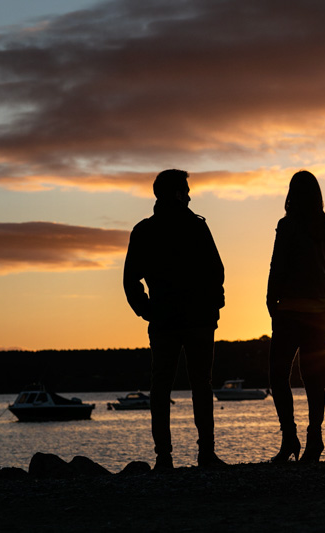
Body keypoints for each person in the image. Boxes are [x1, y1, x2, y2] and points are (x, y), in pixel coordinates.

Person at [123, 169, 226, 470]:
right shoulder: (196, 228)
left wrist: (148, 310)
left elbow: (131, 281)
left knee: (162, 387)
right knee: (200, 385)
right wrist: (212, 307)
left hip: (170, 320)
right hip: (192, 320)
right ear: (178, 194)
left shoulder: (145, 231)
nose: (191, 195)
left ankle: (164, 458)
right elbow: (216, 271)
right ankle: (204, 454)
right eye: (187, 190)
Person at [267, 170, 325, 462]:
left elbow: (277, 266)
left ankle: (289, 438)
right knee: (313, 378)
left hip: (291, 310)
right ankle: (314, 440)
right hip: (320, 311)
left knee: (278, 375)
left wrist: (271, 302)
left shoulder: (288, 225)